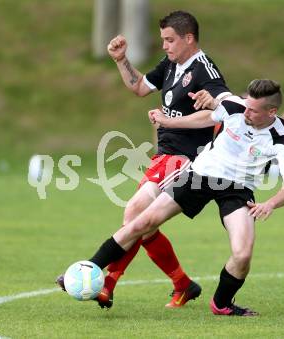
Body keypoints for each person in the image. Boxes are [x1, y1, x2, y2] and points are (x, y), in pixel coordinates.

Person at [56, 11, 231, 309]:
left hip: (188, 159)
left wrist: (172, 122)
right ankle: (182, 284)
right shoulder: (172, 65)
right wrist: (121, 60)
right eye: (163, 39)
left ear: (189, 38)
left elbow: (221, 110)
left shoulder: (204, 70)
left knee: (135, 212)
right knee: (143, 224)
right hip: (164, 155)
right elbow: (139, 88)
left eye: (170, 40)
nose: (164, 46)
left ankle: (103, 280)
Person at [83, 79, 284, 316]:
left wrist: (270, 203)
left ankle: (221, 304)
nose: (246, 110)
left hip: (237, 189)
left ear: (272, 111)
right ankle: (89, 267)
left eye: (253, 110)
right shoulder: (235, 106)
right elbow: (206, 117)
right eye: (246, 105)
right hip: (199, 175)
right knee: (144, 222)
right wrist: (167, 121)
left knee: (243, 253)